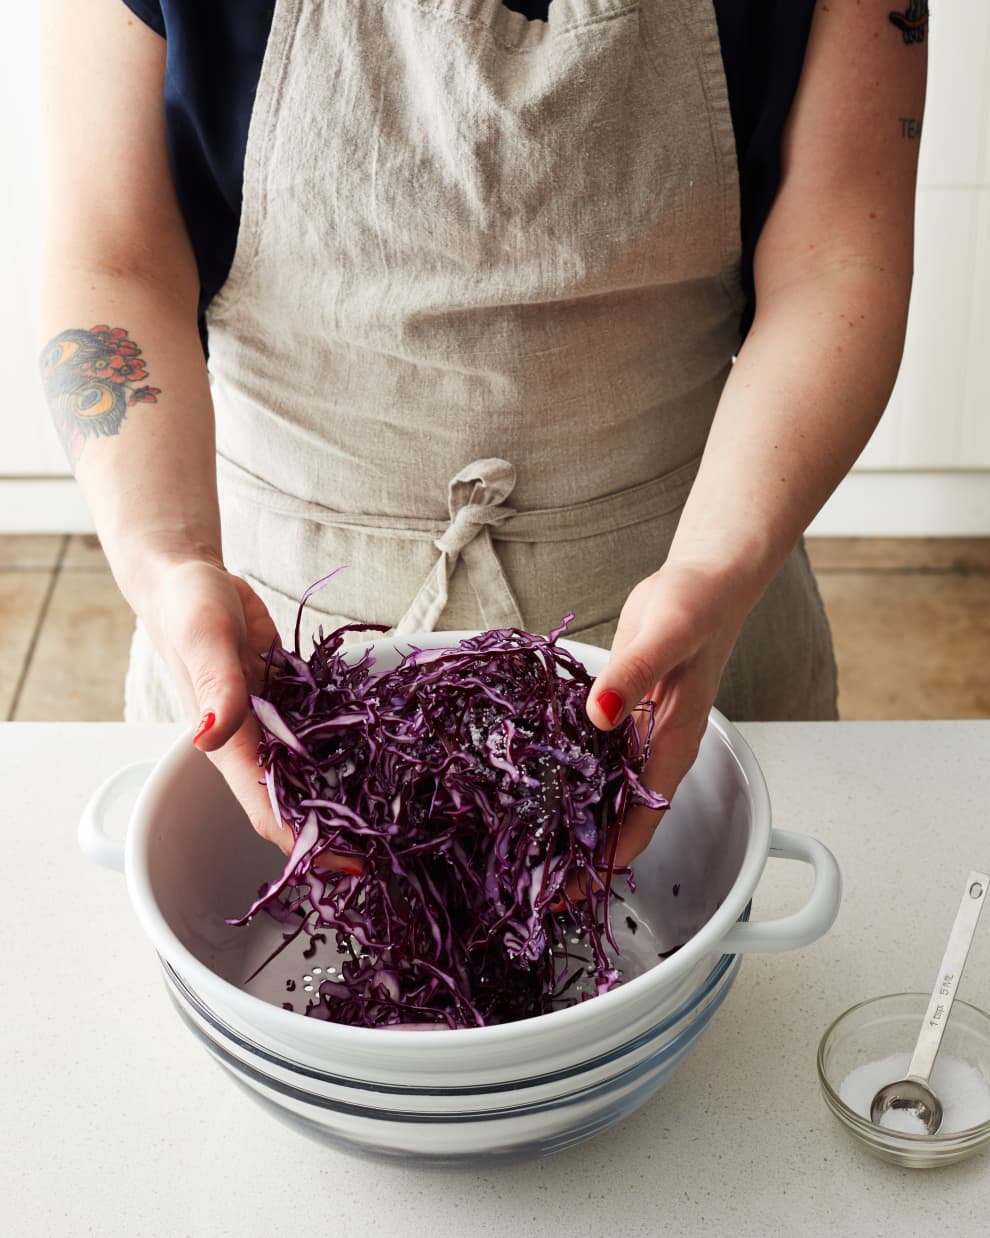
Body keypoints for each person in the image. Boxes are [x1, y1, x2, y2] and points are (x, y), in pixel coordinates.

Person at [38, 0, 927, 871]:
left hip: (693, 646)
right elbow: (114, 259)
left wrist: (718, 568)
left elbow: (839, 259)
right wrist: (166, 561)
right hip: (272, 680)